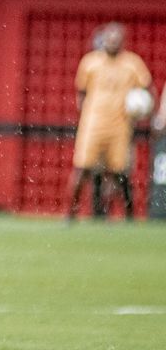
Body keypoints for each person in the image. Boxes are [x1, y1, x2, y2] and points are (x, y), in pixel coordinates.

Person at [65, 22, 153, 221]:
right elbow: (81, 93)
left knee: (120, 173)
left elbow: (147, 90)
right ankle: (70, 214)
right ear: (103, 40)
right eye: (109, 39)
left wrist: (143, 110)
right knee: (82, 168)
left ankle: (121, 216)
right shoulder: (90, 62)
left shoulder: (132, 63)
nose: (112, 43)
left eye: (116, 39)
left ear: (122, 42)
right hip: (92, 125)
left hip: (120, 126)